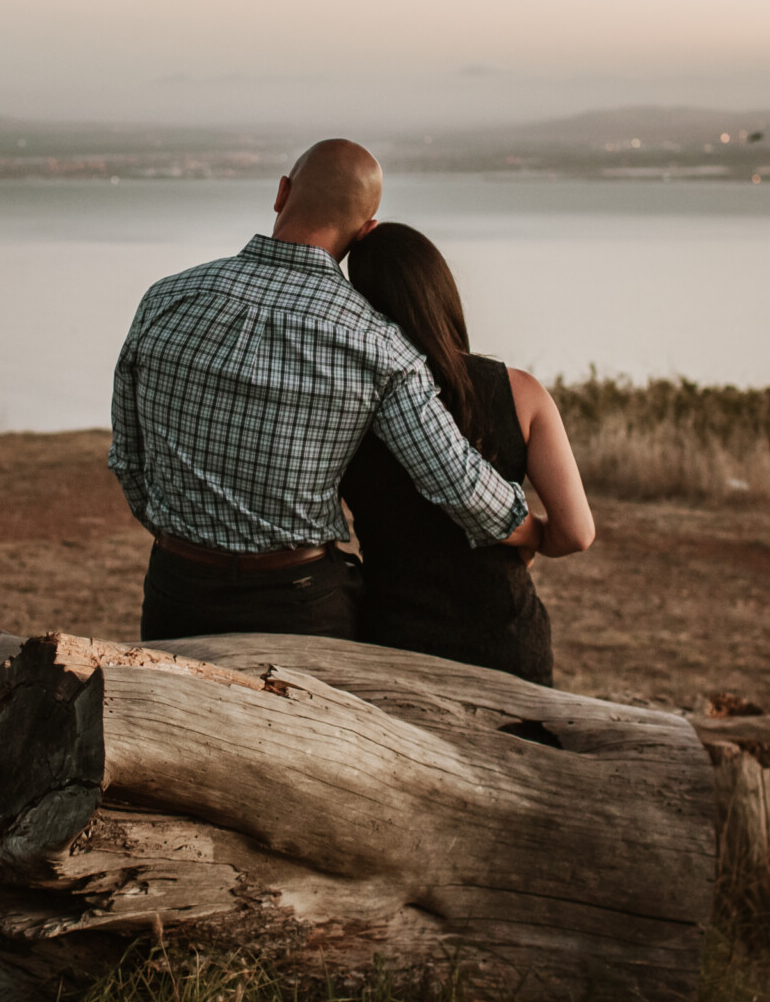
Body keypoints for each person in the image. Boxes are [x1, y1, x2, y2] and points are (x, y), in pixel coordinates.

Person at [108, 139, 536, 642]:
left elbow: (129, 459)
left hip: (174, 588)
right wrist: (533, 530)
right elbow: (457, 483)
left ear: (282, 192)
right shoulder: (378, 345)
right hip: (298, 601)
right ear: (366, 230)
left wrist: (180, 542)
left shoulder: (167, 298)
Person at [341, 222, 595, 684]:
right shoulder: (521, 392)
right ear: (441, 293)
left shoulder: (351, 404)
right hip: (506, 643)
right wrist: (531, 536)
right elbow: (577, 532)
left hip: (395, 643)